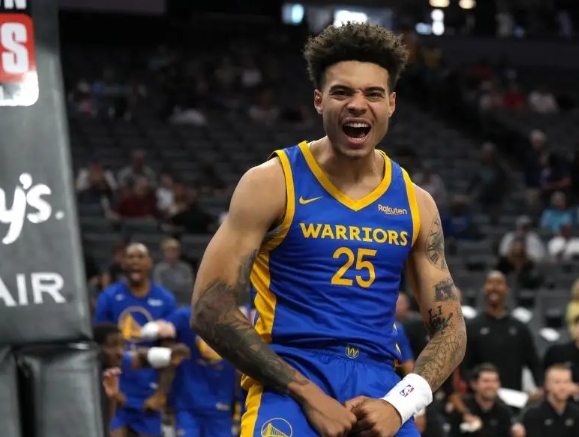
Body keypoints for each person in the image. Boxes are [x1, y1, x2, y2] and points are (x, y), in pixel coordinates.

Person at [189, 23, 467, 437]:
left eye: (373, 94)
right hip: (289, 379)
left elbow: (451, 327)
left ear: (391, 103)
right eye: (342, 92)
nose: (357, 105)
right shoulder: (272, 182)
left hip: (380, 389)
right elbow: (209, 307)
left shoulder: (416, 203)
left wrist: (399, 404)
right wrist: (308, 395)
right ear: (319, 100)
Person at [94, 243, 178, 437]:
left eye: (140, 257)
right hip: (117, 388)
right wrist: (108, 392)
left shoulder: (165, 299)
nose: (135, 261)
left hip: (149, 391)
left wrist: (161, 394)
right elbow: (98, 346)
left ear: (150, 262)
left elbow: (170, 353)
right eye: (130, 257)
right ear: (122, 263)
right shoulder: (108, 297)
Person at [140, 308, 238, 437]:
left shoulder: (237, 320)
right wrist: (157, 328)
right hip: (187, 403)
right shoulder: (186, 317)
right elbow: (152, 331)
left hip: (221, 404)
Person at [94, 323, 190, 433]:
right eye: (112, 345)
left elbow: (140, 357)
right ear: (95, 348)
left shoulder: (122, 360)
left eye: (122, 345)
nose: (120, 352)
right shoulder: (84, 374)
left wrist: (168, 355)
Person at [521, 365, 579, 437]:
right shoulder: (533, 414)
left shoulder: (577, 414)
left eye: (566, 382)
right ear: (547, 385)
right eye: (557, 382)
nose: (562, 387)